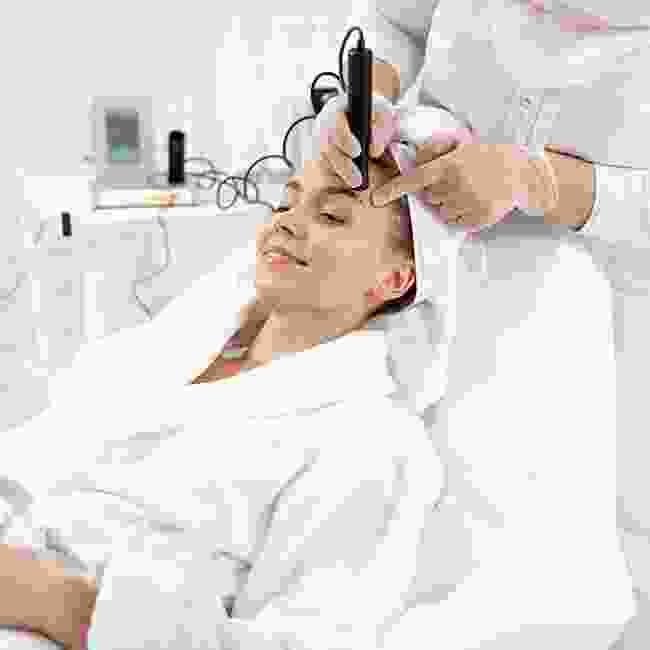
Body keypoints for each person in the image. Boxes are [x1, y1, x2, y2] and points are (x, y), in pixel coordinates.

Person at [0, 151, 443, 650]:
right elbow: (37, 453)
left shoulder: (373, 445)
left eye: (332, 216)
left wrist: (57, 604)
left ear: (395, 278)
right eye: (285, 204)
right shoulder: (168, 350)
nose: (286, 223)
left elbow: (302, 640)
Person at [320, 0, 650, 648]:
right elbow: (397, 20)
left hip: (622, 273)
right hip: (439, 238)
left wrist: (540, 182)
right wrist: (368, 98)